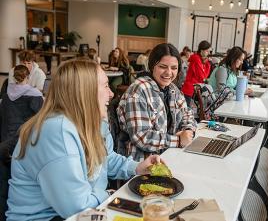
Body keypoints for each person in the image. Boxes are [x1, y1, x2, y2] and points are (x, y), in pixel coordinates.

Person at [6, 59, 163, 220]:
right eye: (105, 86)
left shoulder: (92, 122)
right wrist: (109, 194)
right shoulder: (55, 132)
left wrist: (137, 168)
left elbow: (105, 158)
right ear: (84, 92)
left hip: (84, 210)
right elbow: (77, 207)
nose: (111, 93)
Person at [117, 43, 197, 161]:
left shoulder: (172, 89)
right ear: (152, 66)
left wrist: (188, 131)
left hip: (169, 154)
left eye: (174, 68)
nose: (169, 73)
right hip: (142, 163)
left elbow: (187, 114)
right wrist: (179, 140)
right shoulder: (138, 90)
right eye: (163, 67)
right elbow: (141, 137)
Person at [0, 65, 43, 142]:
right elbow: (41, 117)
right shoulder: (35, 96)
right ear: (28, 76)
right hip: (25, 139)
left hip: (6, 138)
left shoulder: (6, 96)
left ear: (14, 77)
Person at [181, 40, 212, 106]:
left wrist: (208, 64)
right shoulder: (196, 58)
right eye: (207, 51)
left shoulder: (202, 61)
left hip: (195, 89)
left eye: (209, 51)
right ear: (201, 50)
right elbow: (202, 77)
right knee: (186, 111)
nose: (208, 53)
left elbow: (205, 76)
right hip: (189, 89)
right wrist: (206, 63)